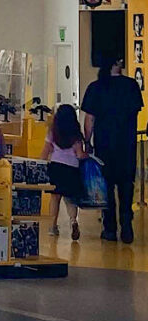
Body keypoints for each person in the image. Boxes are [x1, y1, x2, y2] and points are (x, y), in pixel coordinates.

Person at [81, 56, 143, 243]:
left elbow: (89, 119)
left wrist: (87, 141)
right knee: (126, 186)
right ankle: (127, 226)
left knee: (106, 187)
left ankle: (109, 228)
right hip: (127, 145)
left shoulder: (96, 88)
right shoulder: (131, 86)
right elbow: (135, 113)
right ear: (118, 64)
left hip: (104, 146)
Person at [41, 104, 85, 240]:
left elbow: (44, 153)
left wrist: (40, 164)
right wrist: (87, 156)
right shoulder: (76, 135)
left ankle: (52, 227)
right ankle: (73, 221)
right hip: (71, 169)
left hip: (56, 168)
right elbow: (79, 154)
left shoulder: (52, 133)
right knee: (70, 199)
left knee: (55, 198)